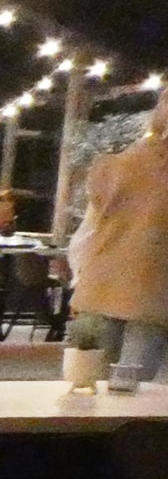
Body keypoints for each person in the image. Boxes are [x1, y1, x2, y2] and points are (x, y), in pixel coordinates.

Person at [69, 90, 168, 392]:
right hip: (151, 292)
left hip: (99, 286)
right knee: (131, 393)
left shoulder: (117, 165)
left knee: (91, 387)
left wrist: (79, 277)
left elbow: (87, 232)